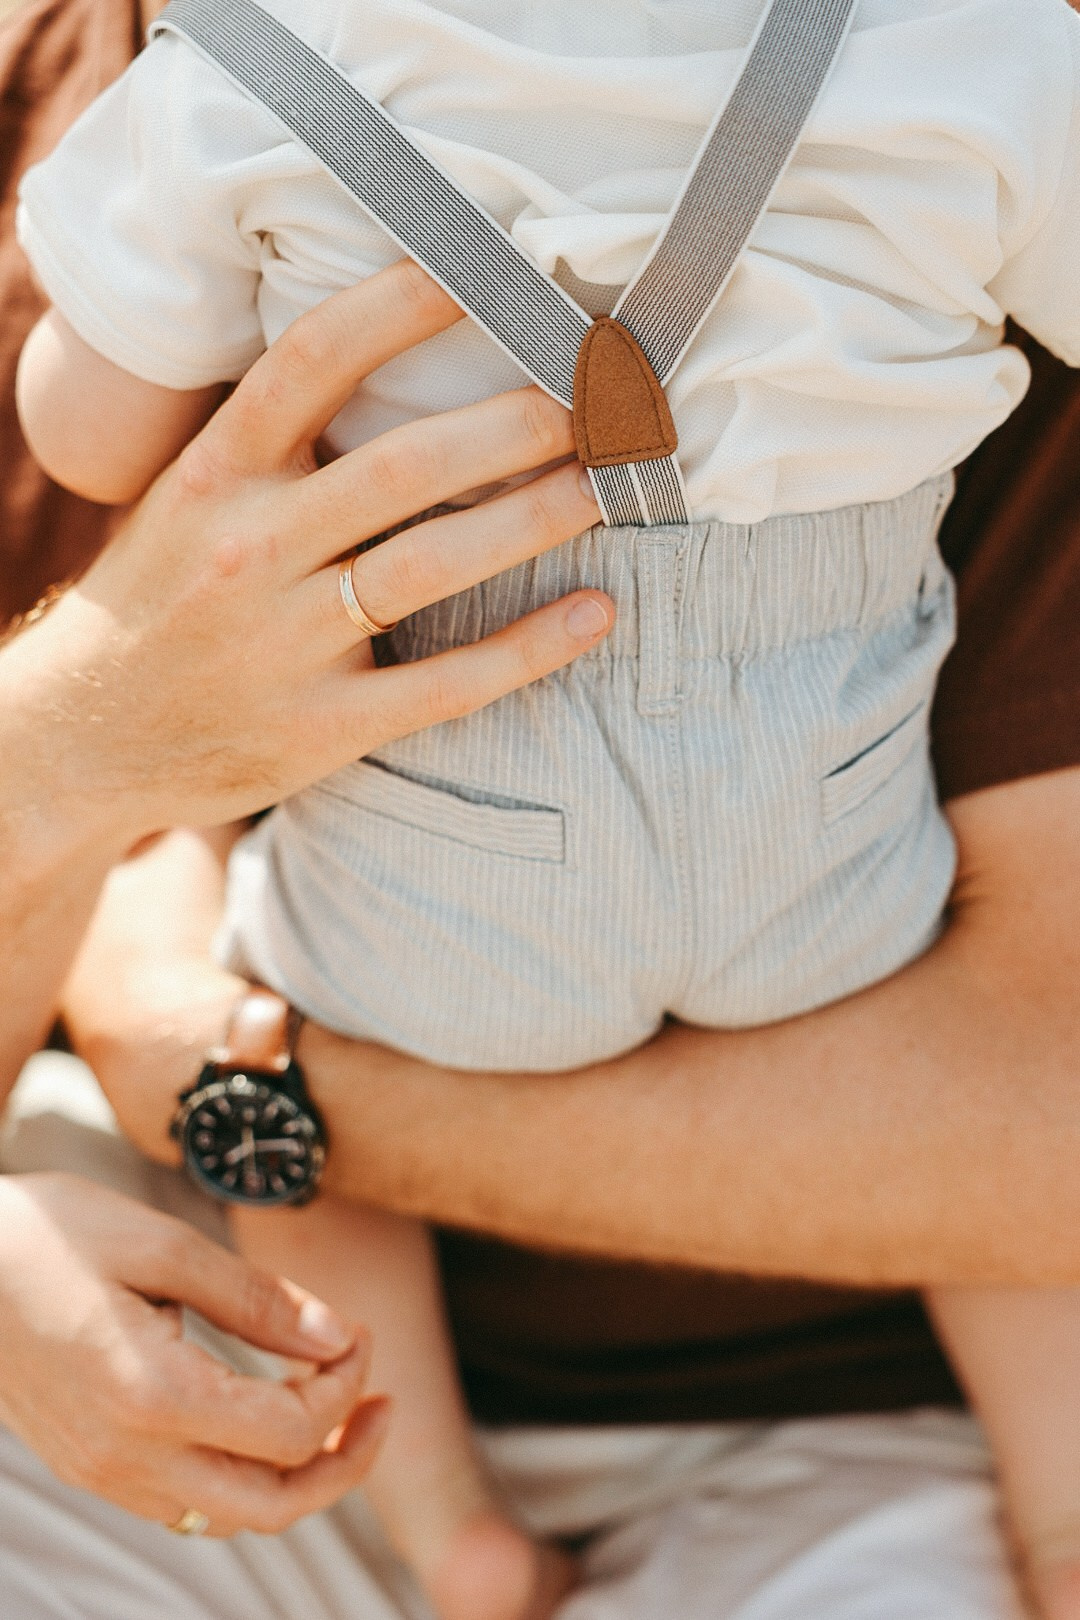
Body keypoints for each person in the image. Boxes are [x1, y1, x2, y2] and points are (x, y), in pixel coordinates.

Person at [1, 2, 1078, 1618]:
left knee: (267, 978)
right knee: (999, 1204)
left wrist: (209, 1065)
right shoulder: (975, 54)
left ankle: (448, 1530)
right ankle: (1065, 1517)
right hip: (832, 843)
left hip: (447, 911)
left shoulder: (217, 87)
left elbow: (82, 432)